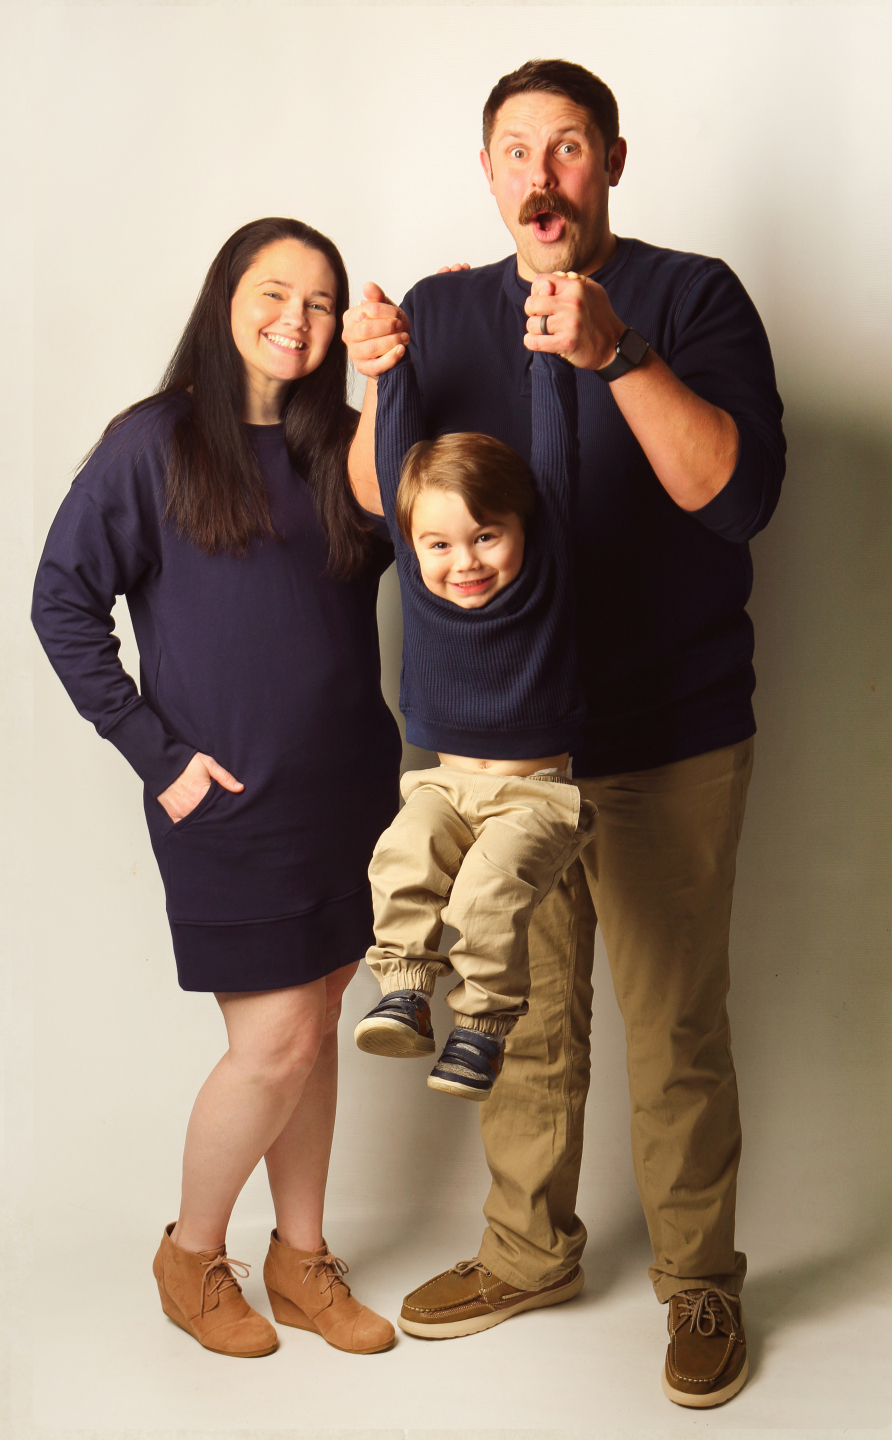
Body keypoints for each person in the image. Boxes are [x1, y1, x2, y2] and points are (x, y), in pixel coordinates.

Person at [343, 60, 785, 1406]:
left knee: (674, 1025)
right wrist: (373, 389)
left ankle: (700, 1278)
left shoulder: (688, 297)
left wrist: (617, 355)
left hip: (671, 732)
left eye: (571, 146)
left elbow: (734, 494)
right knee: (519, 1017)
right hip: (503, 752)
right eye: (519, 149)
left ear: (613, 163)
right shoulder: (440, 311)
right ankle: (529, 1252)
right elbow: (383, 516)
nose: (544, 173)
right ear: (490, 173)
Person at [32, 217, 402, 1359]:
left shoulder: (335, 437)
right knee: (275, 1041)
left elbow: (397, 520)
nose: (298, 317)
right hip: (231, 800)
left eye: (322, 302)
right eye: (274, 291)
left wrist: (384, 388)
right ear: (225, 296)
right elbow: (61, 603)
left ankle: (301, 1257)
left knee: (317, 1024)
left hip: (349, 784)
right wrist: (160, 758)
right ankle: (191, 1255)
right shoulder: (152, 443)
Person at [352, 347, 597, 1099]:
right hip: (444, 784)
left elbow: (556, 446)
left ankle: (484, 1030)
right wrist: (392, 367)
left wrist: (551, 357)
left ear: (524, 527)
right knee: (403, 852)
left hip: (535, 796)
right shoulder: (424, 576)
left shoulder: (544, 560)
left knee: (486, 893)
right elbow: (397, 457)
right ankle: (403, 990)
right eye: (439, 545)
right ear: (413, 542)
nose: (464, 562)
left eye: (486, 536)